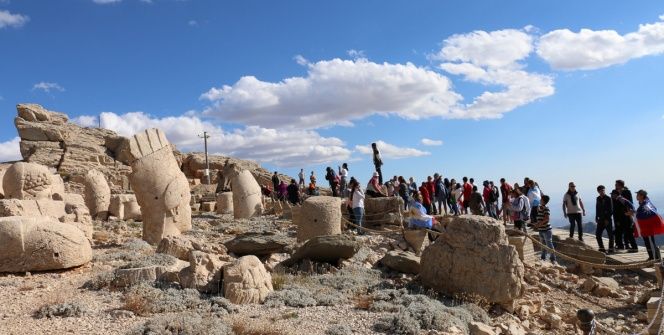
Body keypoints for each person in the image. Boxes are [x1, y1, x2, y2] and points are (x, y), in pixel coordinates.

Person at [633, 190, 664, 260]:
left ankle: (654, 258)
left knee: (650, 243)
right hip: (645, 227)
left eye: (638, 195)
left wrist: (634, 213)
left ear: (641, 196)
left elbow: (643, 215)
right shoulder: (644, 203)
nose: (636, 196)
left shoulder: (645, 205)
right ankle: (652, 257)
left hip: (648, 228)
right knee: (648, 243)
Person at [613, 180, 638, 251]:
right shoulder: (615, 193)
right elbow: (615, 206)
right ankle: (620, 246)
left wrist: (629, 212)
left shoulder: (627, 192)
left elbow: (630, 203)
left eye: (616, 184)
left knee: (629, 232)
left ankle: (634, 247)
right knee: (618, 232)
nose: (615, 185)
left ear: (621, 185)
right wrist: (616, 219)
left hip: (626, 215)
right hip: (619, 216)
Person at [535, 195, 556, 264]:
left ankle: (553, 259)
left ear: (543, 200)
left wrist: (539, 224)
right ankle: (543, 258)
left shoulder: (546, 208)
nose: (540, 200)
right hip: (541, 229)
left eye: (541, 199)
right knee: (542, 245)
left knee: (549, 245)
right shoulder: (540, 208)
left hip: (546, 230)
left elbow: (547, 218)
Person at [595, 185, 615, 253]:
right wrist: (596, 217)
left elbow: (611, 210)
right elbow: (597, 208)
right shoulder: (597, 198)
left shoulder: (608, 198)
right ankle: (602, 248)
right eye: (601, 190)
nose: (602, 191)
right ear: (598, 191)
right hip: (600, 219)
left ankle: (611, 249)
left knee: (610, 235)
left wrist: (607, 219)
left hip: (607, 219)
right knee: (598, 235)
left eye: (603, 190)